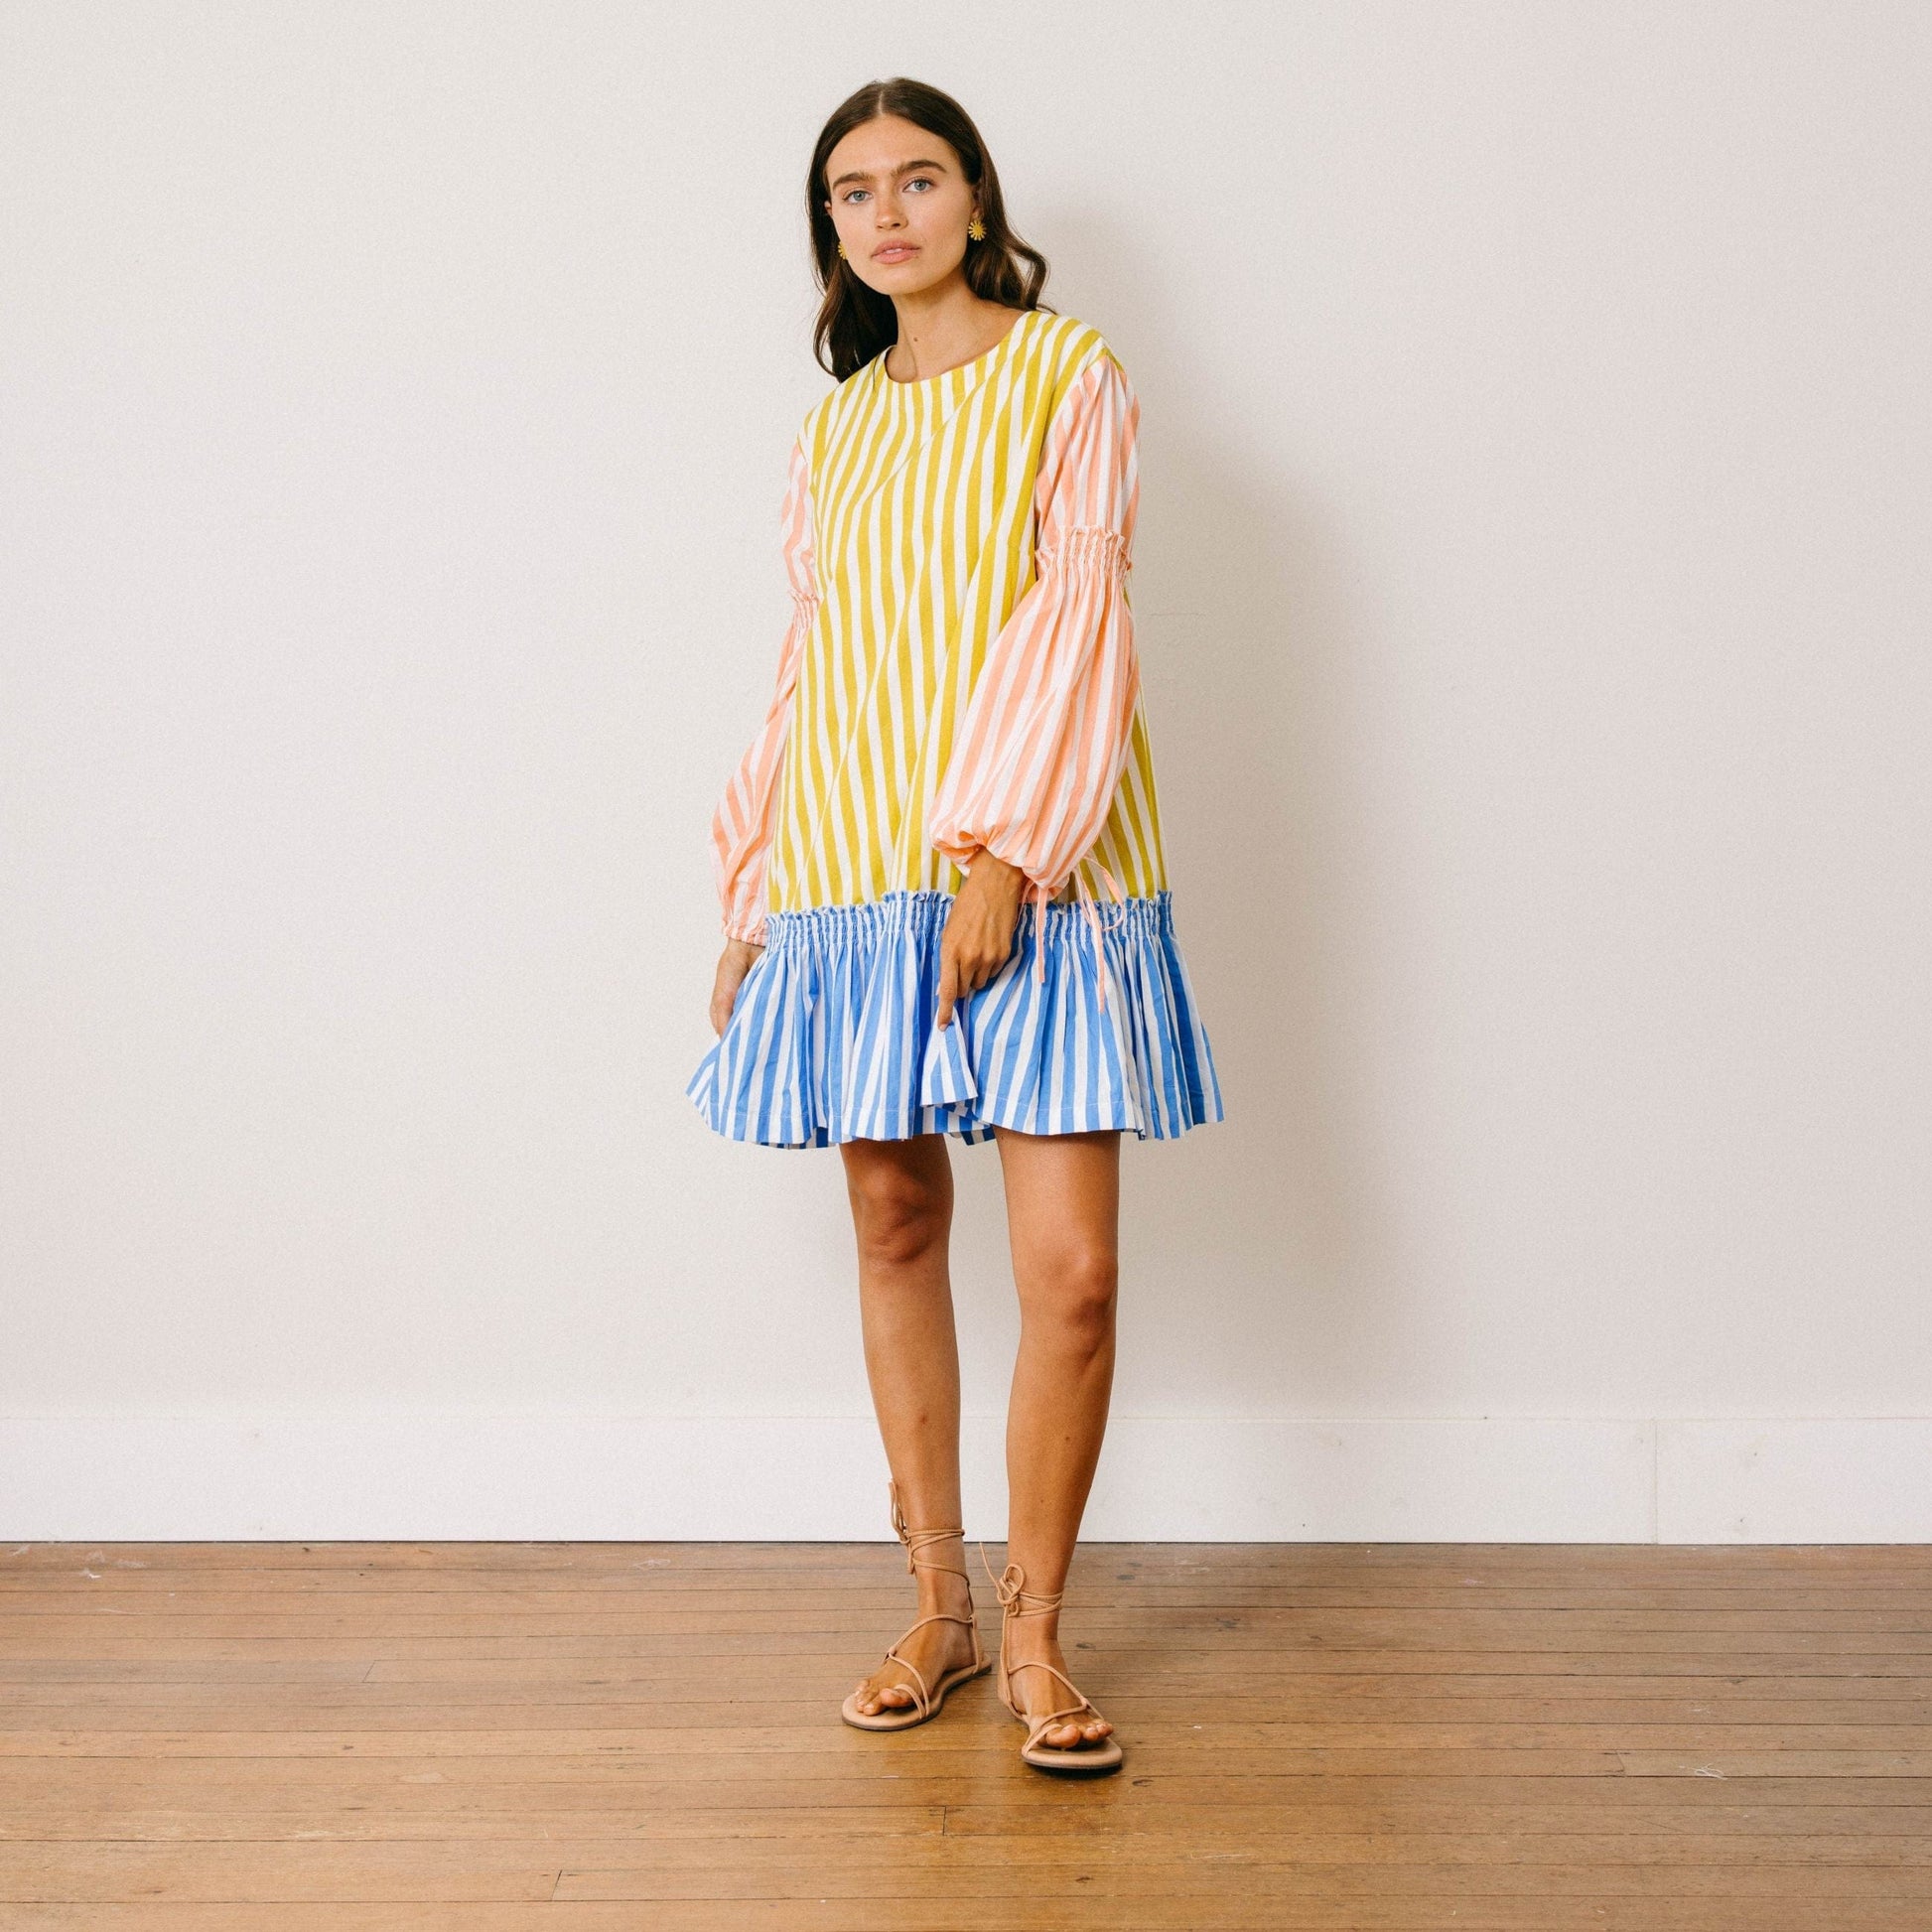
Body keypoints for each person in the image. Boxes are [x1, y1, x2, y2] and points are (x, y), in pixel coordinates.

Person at [687, 76, 1223, 1776]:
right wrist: (755, 891)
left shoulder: (1071, 372)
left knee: (1071, 1273)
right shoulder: (832, 428)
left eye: (916, 179)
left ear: (975, 196)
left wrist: (1000, 853)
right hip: (846, 872)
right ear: (829, 228)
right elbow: (813, 663)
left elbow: (1079, 614)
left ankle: (1038, 1631)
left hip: (1038, 865)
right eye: (851, 192)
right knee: (895, 1219)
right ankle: (935, 1607)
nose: (885, 213)